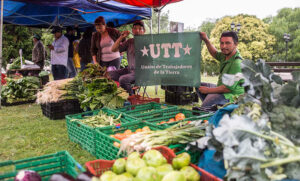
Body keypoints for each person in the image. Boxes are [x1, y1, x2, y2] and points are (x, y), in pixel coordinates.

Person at [199, 31, 244, 107]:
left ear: (236, 44)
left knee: (205, 106)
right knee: (199, 86)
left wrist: (207, 90)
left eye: (227, 43)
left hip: (232, 96)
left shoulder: (237, 63)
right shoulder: (225, 55)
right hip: (223, 90)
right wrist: (206, 39)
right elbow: (214, 53)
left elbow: (227, 89)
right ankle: (213, 108)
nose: (223, 46)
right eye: (222, 43)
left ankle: (209, 108)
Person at [110, 20, 145, 95]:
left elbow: (152, 63)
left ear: (144, 31)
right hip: (129, 70)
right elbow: (113, 49)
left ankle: (132, 98)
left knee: (123, 79)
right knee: (109, 74)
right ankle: (126, 95)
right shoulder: (130, 41)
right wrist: (121, 37)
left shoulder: (148, 43)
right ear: (132, 30)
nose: (137, 31)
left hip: (140, 73)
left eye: (140, 29)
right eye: (135, 28)